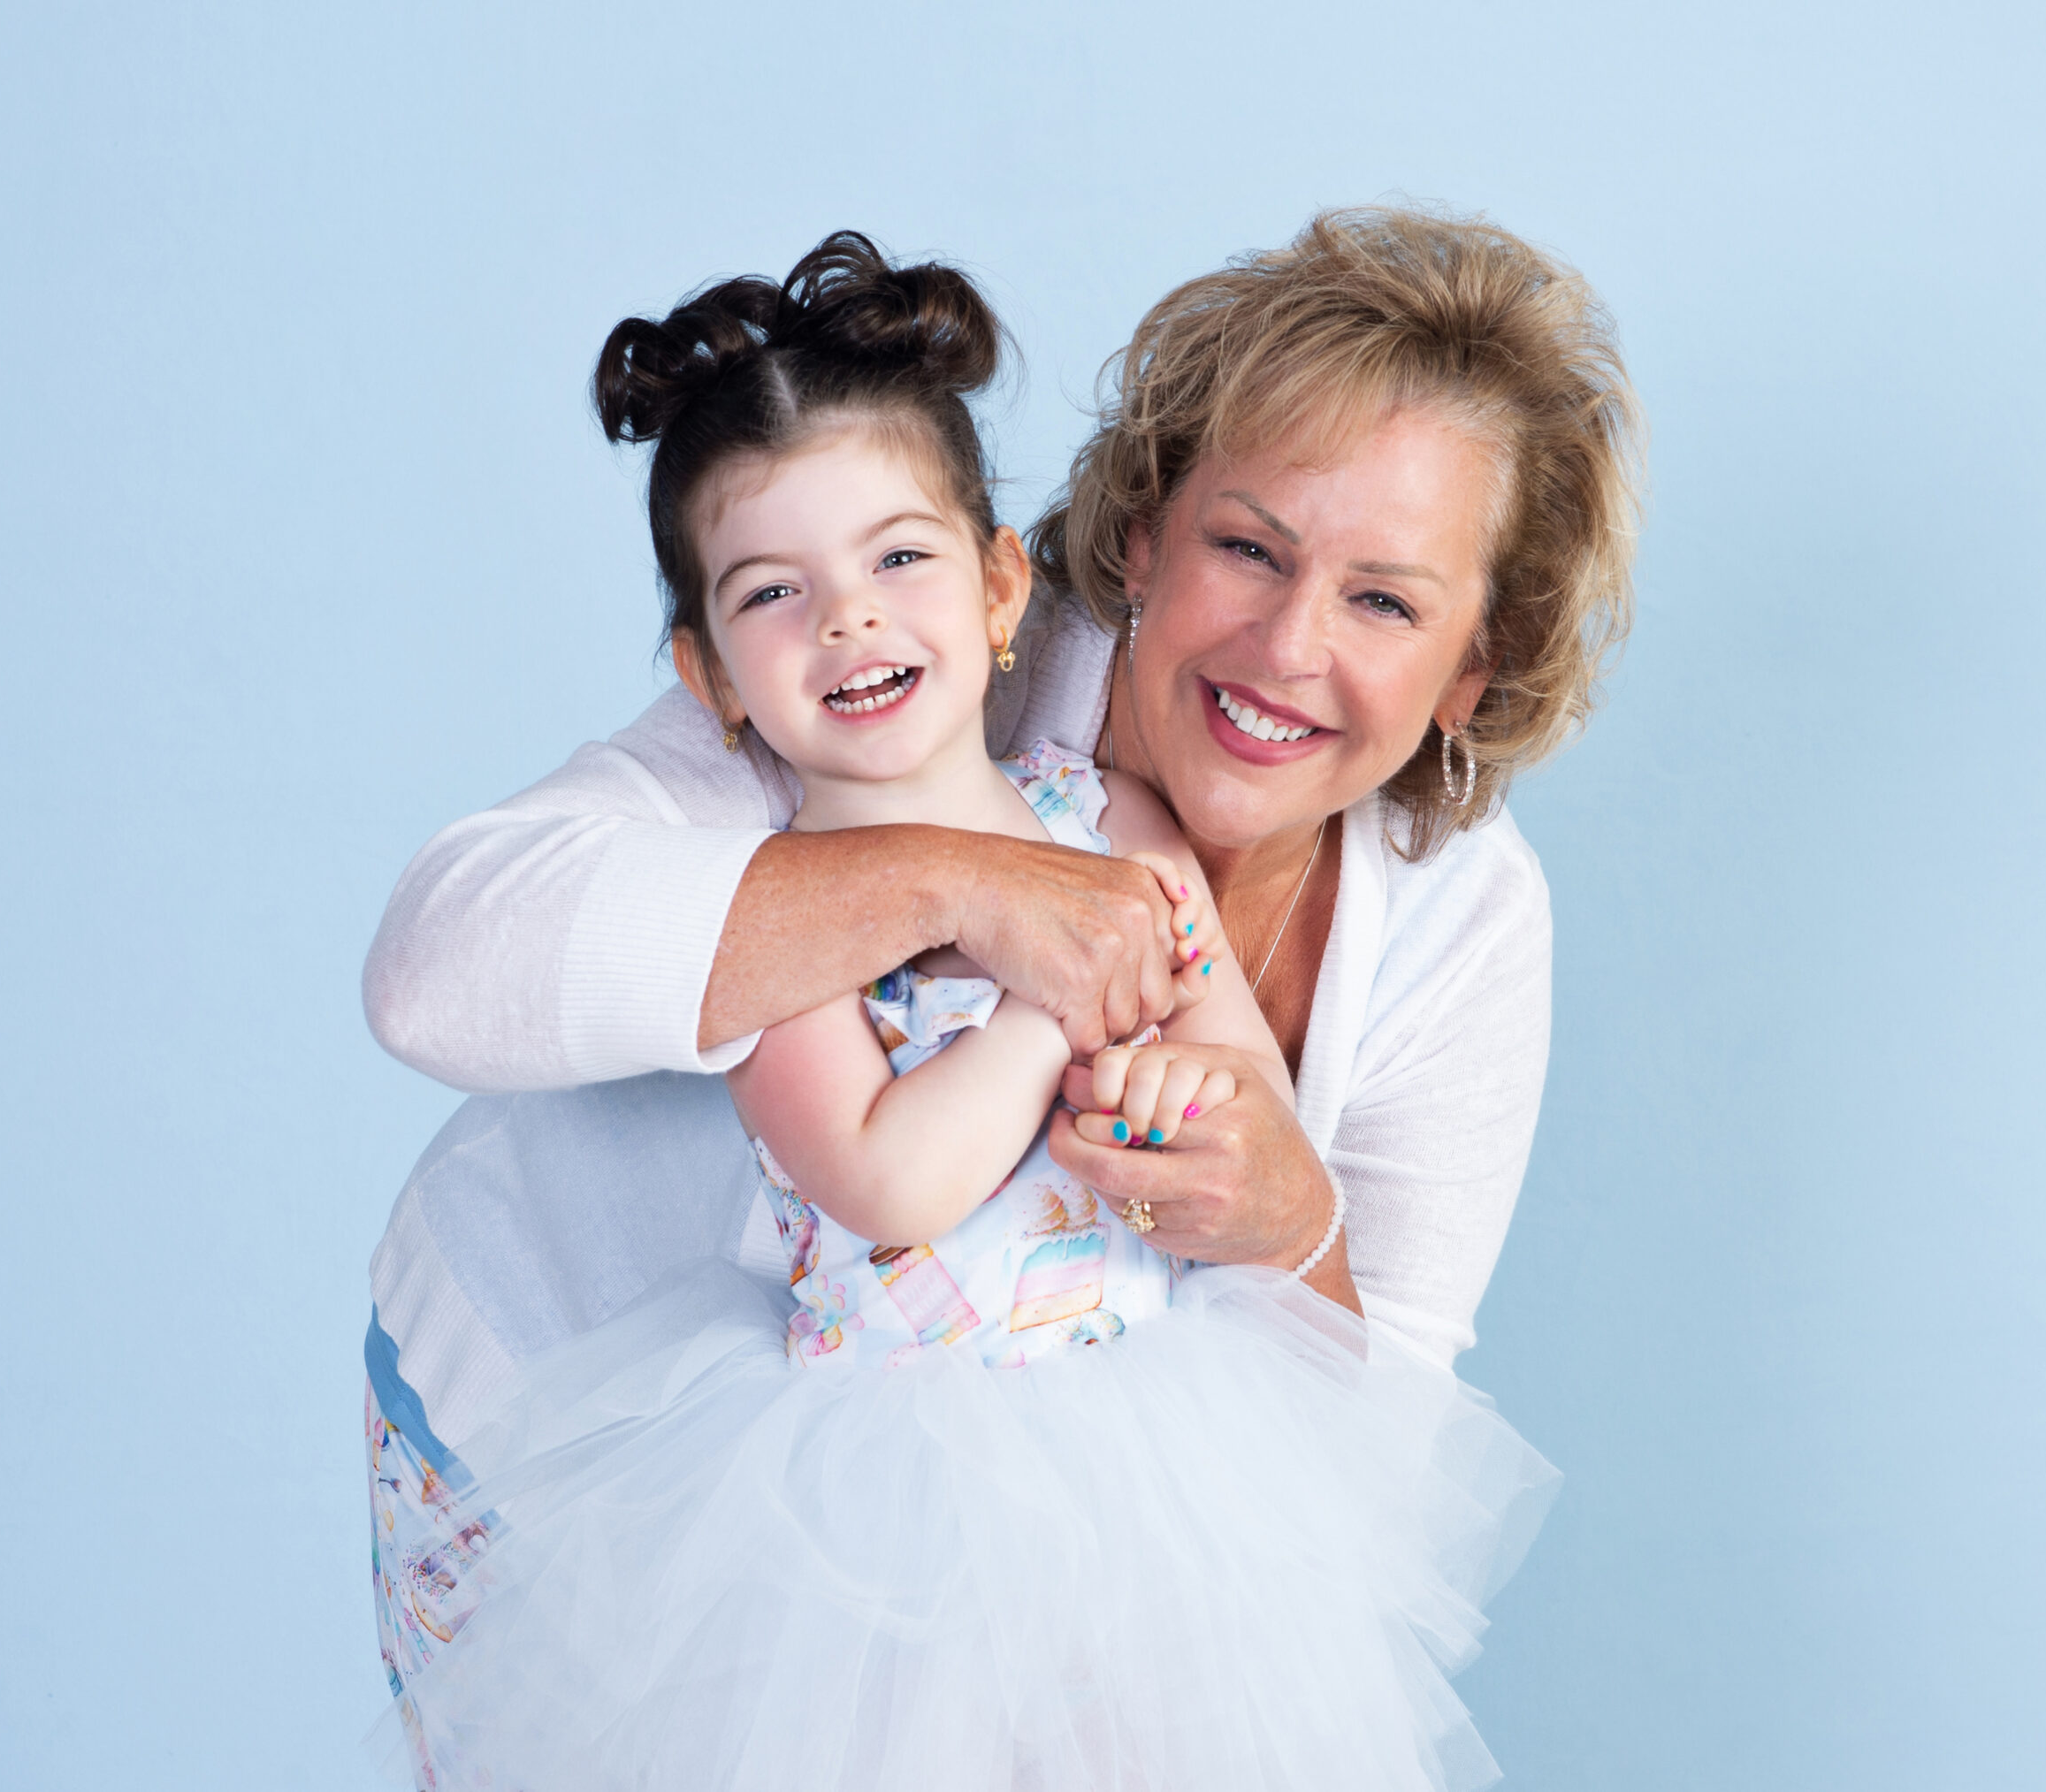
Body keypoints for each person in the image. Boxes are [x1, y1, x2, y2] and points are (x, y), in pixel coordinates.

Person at [362, 203, 1639, 1779]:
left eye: (1387, 601)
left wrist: (1288, 1221)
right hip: (606, 1436)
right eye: (1248, 547)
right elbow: (437, 967)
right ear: (1136, 542)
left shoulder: (1462, 920)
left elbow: (1368, 1445)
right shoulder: (890, 663)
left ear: (1472, 672)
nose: (1292, 644)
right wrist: (974, 888)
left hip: (1059, 1490)